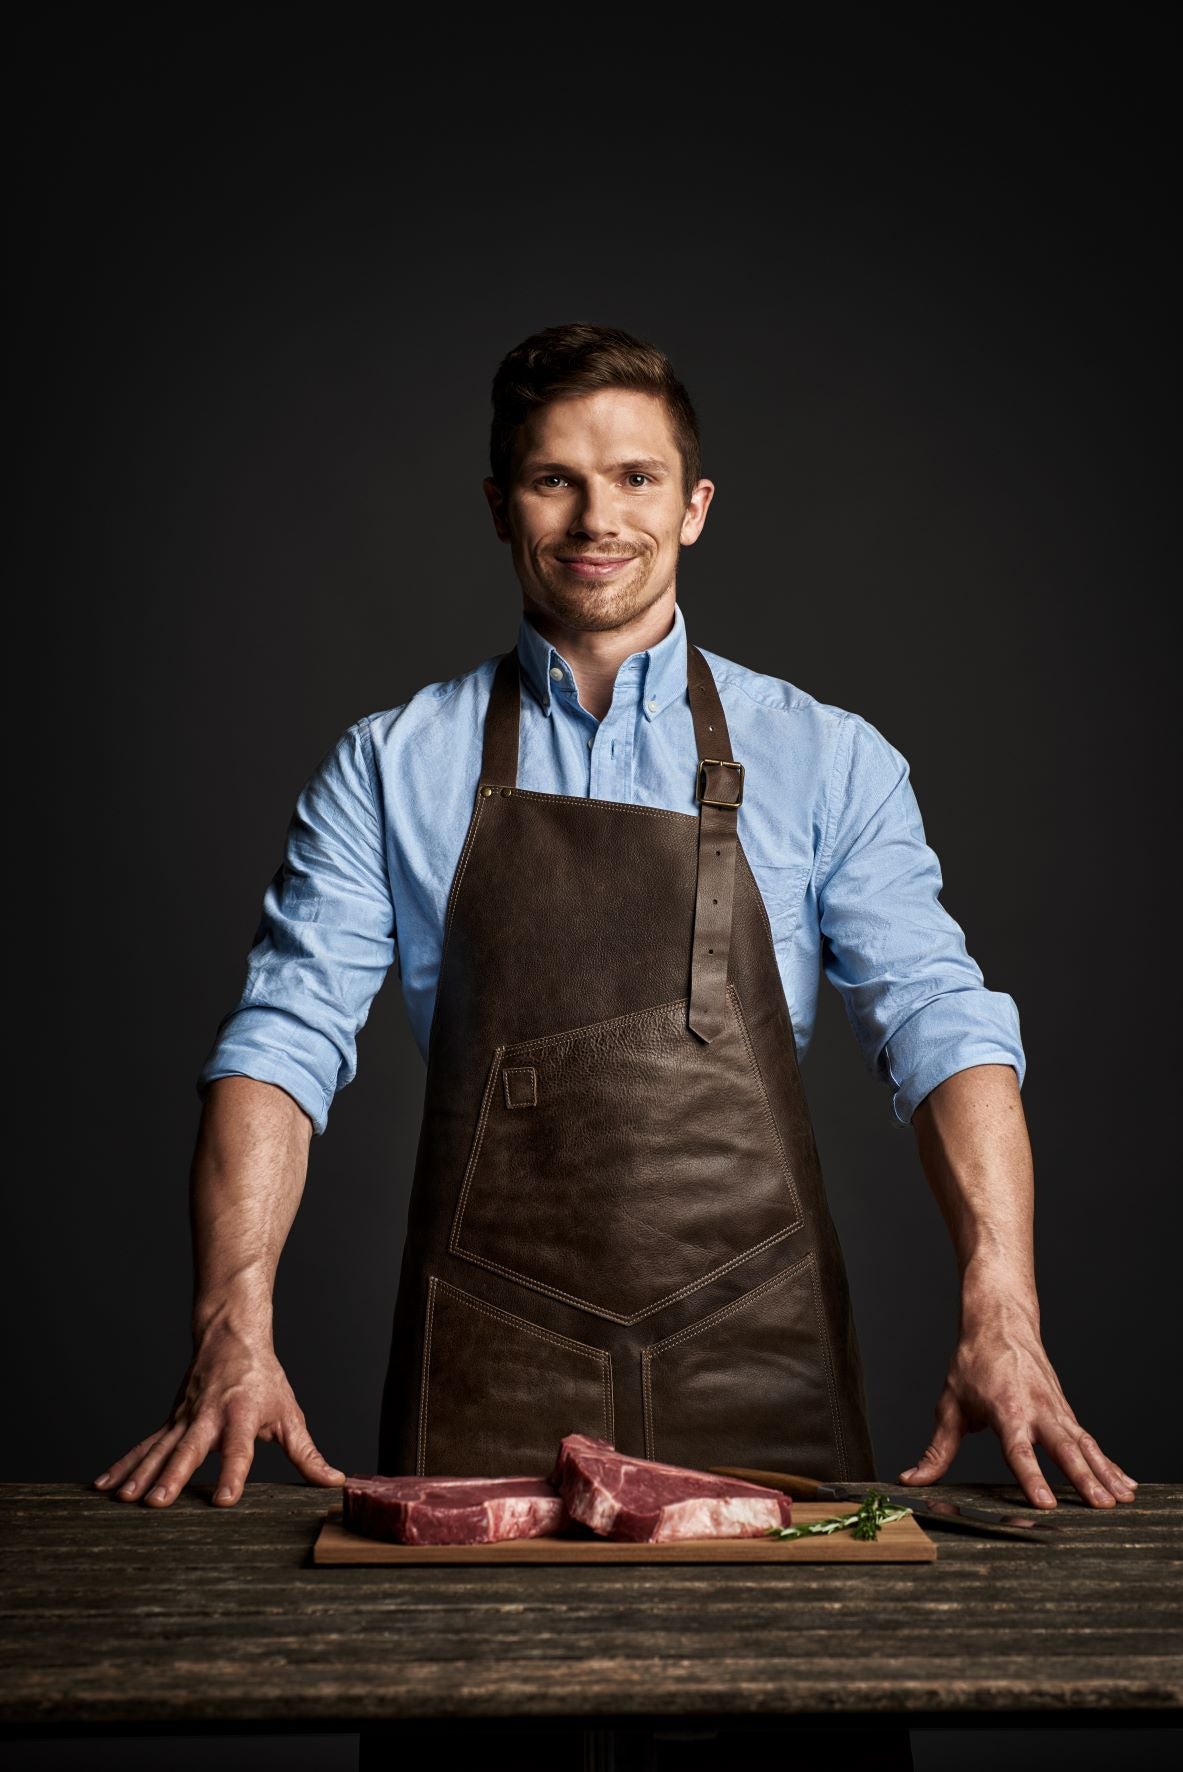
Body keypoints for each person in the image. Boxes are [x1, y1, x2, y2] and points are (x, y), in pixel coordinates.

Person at [93, 323, 1134, 1515]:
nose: (599, 519)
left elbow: (941, 1027)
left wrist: (1002, 1305)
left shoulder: (829, 758)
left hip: (763, 1355)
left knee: (784, 1703)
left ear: (693, 505)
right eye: (556, 480)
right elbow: (282, 1043)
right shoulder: (389, 765)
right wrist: (235, 1322)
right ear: (500, 506)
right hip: (481, 1359)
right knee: (477, 1699)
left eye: (634, 478)